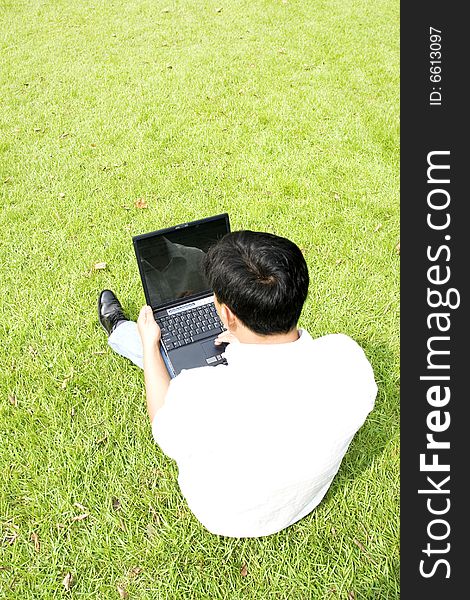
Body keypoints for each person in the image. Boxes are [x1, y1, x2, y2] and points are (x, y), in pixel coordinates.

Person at [98, 230, 377, 538]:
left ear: (227, 314)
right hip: (307, 499)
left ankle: (121, 330)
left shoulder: (200, 394)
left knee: (154, 348)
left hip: (226, 517)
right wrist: (246, 338)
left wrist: (151, 345)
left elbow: (160, 422)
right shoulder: (348, 358)